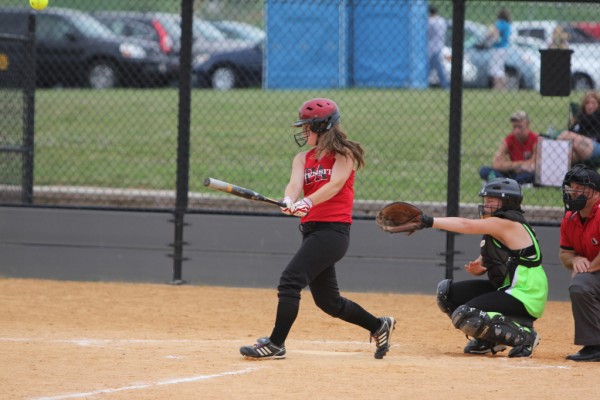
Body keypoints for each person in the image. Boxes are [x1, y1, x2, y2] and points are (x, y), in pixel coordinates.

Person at [239, 98, 395, 360]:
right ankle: (379, 325)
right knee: (328, 302)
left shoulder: (344, 155)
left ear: (322, 126)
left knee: (290, 281)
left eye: (307, 127)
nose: (303, 132)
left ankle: (276, 344)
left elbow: (334, 185)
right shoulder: (302, 158)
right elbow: (293, 184)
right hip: (312, 231)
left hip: (333, 232)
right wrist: (290, 200)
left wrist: (308, 202)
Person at [428, 178, 548, 357]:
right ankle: (488, 340)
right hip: (508, 289)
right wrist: (481, 266)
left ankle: (524, 337)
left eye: (491, 201)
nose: (485, 205)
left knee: (466, 315)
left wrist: (428, 221)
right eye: (485, 200)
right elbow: (494, 258)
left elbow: (466, 225)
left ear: (507, 202)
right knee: (447, 293)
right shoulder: (496, 226)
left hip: (527, 294)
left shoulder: (507, 223)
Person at [559, 164, 600, 361]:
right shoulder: (570, 217)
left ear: (594, 193)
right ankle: (594, 346)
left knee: (582, 283)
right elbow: (565, 253)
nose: (573, 194)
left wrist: (588, 269)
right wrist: (576, 260)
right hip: (596, 272)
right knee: (582, 285)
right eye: (571, 189)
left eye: (579, 190)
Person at [479, 110, 539, 185]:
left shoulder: (536, 139)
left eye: (520, 127)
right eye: (514, 127)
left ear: (527, 125)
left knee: (533, 175)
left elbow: (535, 165)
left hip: (526, 174)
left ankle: (502, 183)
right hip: (513, 172)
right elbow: (496, 164)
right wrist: (518, 165)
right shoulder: (509, 139)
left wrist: (508, 165)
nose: (516, 131)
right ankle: (509, 183)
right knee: (484, 170)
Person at [557, 91, 600, 168]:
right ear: (584, 105)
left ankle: (554, 149)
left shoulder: (598, 116)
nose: (590, 105)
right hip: (580, 147)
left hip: (596, 146)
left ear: (598, 105)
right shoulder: (579, 118)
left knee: (566, 134)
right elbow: (573, 131)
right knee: (569, 155)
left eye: (593, 103)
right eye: (587, 103)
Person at [486, 8, 511, 90]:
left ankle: (498, 86)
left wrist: (488, 34)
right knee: (500, 67)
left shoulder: (499, 23)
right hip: (505, 47)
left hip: (498, 48)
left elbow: (494, 33)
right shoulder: (507, 24)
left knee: (496, 68)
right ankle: (502, 87)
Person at [428, 5, 449, 89]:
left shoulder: (431, 21)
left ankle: (445, 85)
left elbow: (428, 33)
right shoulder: (442, 20)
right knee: (434, 66)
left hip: (432, 47)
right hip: (439, 45)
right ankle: (445, 85)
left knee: (437, 67)